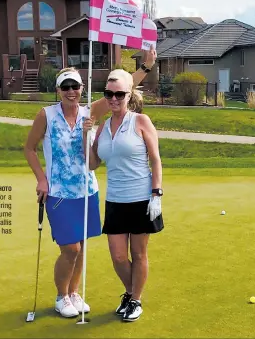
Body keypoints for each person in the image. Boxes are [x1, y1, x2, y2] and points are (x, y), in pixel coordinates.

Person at [24, 48, 157, 318]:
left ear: (82, 88)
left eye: (75, 86)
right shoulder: (46, 115)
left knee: (82, 245)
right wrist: (41, 179)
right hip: (59, 192)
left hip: (87, 190)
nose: (71, 91)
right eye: (66, 86)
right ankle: (62, 296)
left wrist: (145, 67)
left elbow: (122, 89)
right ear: (58, 90)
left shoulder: (90, 111)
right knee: (70, 248)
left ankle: (74, 292)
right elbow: (29, 148)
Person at [83, 68, 164, 322]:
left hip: (141, 197)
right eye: (109, 94)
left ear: (129, 95)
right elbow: (94, 163)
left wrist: (156, 194)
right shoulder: (103, 127)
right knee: (118, 256)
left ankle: (135, 300)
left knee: (139, 254)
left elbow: (156, 159)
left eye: (119, 94)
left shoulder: (141, 121)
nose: (114, 99)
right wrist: (86, 137)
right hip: (115, 199)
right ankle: (130, 293)